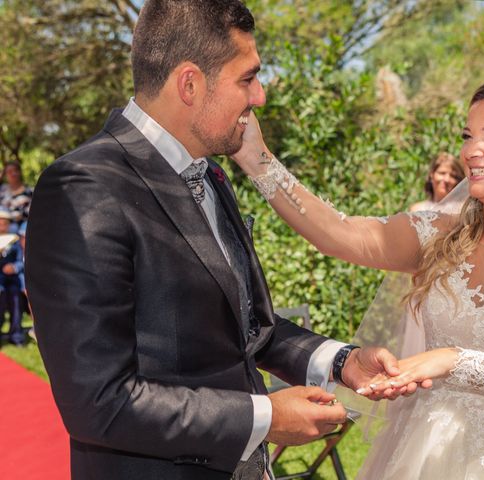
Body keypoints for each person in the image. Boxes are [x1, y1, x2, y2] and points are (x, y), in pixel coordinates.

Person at [24, 2, 408, 479]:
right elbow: (99, 403)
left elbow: (248, 328)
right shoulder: (84, 187)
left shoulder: (213, 176)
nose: (260, 97)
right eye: (247, 79)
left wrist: (341, 362)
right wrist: (266, 417)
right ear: (190, 84)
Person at [231, 74, 484, 478]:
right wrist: (255, 156)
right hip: (428, 450)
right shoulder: (439, 234)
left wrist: (453, 361)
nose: (472, 150)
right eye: (468, 135)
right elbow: (339, 232)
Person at [0, 207, 24, 346]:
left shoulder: (14, 240)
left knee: (16, 305)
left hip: (13, 279)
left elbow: (22, 260)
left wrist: (14, 267)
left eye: (5, 223)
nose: (2, 226)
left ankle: (16, 336)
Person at [0, 161, 33, 230]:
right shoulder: (2, 191)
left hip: (23, 229)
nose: (13, 173)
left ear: (20, 172)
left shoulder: (29, 191)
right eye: (9, 172)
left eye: (15, 170)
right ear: (5, 175)